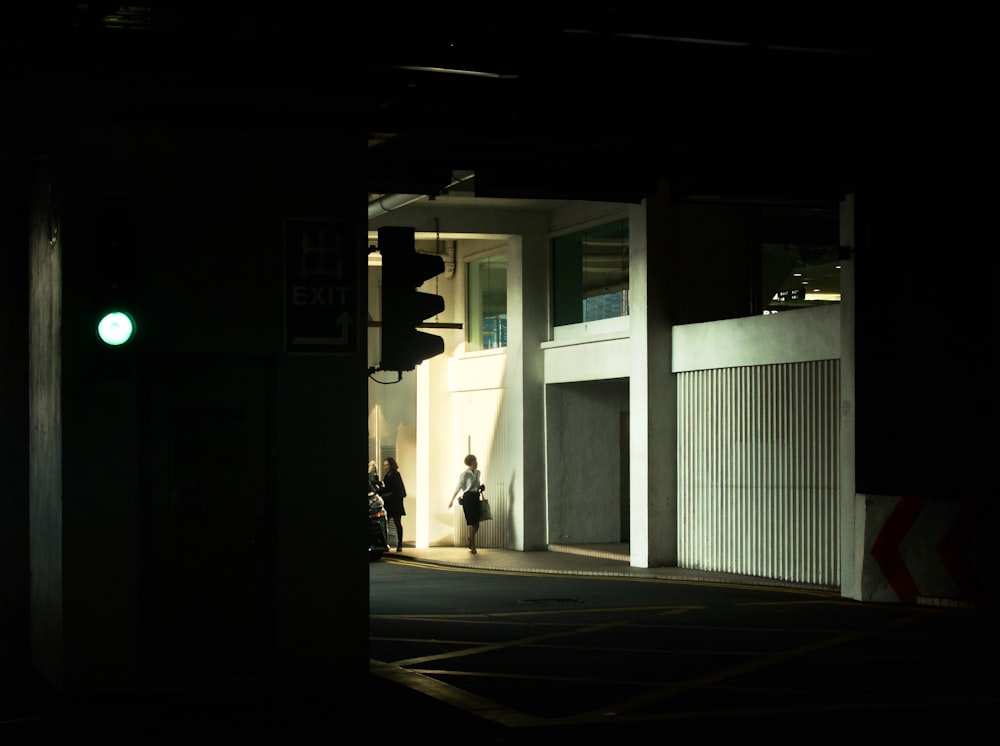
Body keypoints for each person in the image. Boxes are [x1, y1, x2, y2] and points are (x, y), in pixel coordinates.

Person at [447, 454, 484, 554]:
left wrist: (480, 487)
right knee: (471, 522)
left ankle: (470, 538)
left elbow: (475, 485)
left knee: (477, 523)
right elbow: (458, 487)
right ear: (471, 462)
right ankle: (473, 545)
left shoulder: (478, 473)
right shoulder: (464, 474)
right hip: (468, 498)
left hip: (476, 497)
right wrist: (451, 501)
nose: (477, 463)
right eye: (475, 461)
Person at [380, 457, 407, 552]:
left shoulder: (396, 475)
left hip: (395, 503)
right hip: (388, 503)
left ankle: (400, 544)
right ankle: (385, 543)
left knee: (397, 523)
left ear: (391, 465)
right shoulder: (387, 476)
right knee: (385, 524)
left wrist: (385, 495)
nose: (385, 467)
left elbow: (397, 490)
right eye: (384, 465)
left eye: (387, 465)